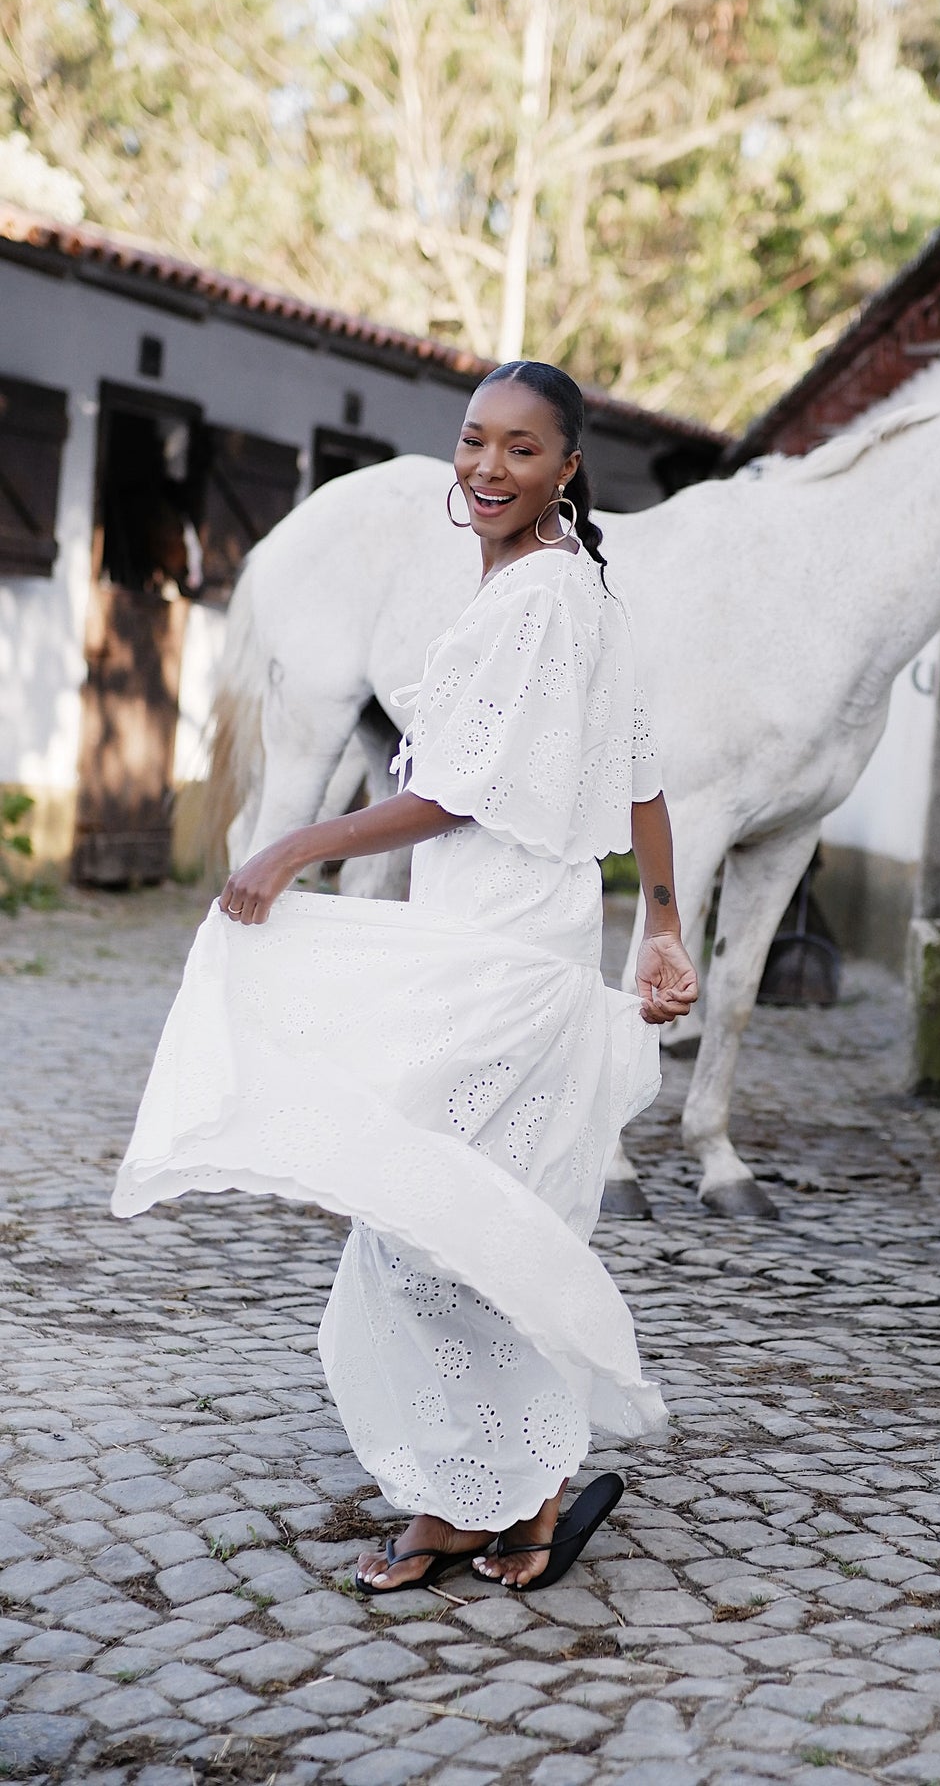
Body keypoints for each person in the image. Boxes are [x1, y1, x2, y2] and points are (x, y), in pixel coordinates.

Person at [114, 360, 699, 1594]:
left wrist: (294, 844)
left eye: (522, 450)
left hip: (499, 952)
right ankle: (486, 1497)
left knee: (433, 1224)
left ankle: (501, 1496)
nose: (489, 468)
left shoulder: (546, 601)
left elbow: (454, 798)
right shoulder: (560, 590)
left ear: (567, 469)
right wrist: (656, 924)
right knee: (467, 1219)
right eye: (474, 442)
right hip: (495, 939)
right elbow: (639, 772)